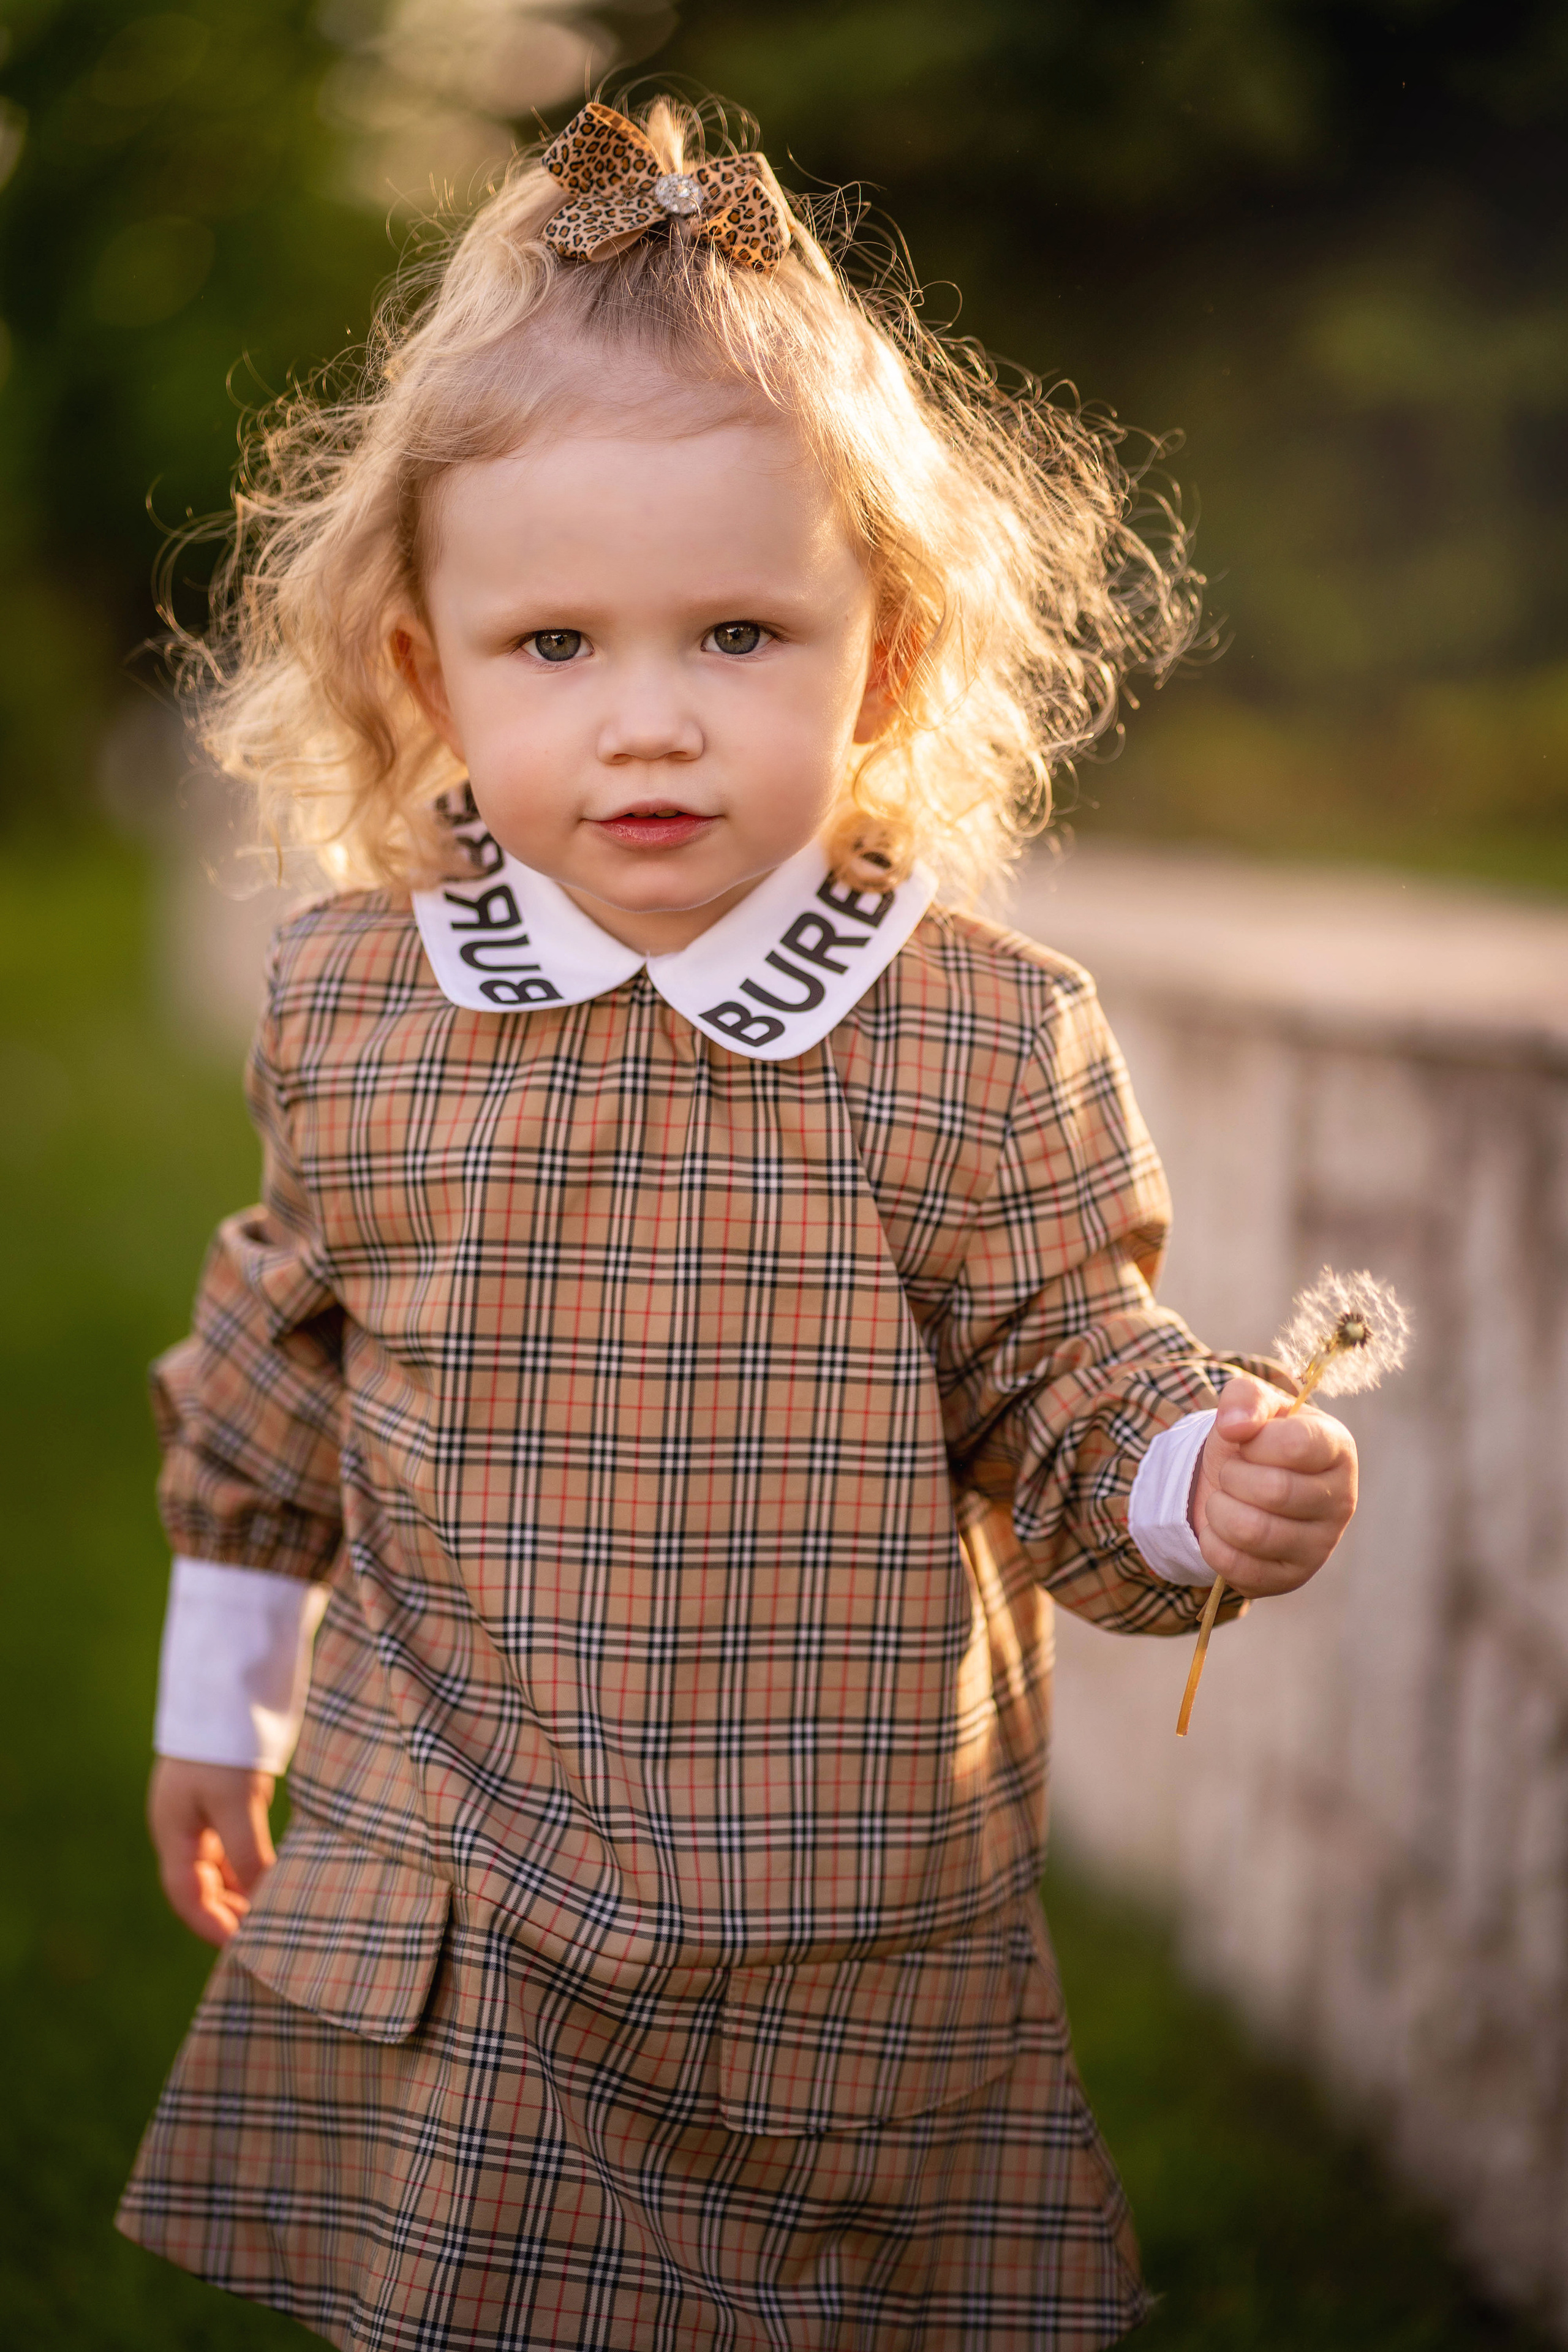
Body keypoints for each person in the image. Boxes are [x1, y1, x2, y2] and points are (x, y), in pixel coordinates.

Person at [118, 96, 1357, 2350]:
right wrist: (229, 1690)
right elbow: (278, 1354)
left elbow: (1068, 1377)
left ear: (876, 663)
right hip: (465, 1872)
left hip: (831, 1900)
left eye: (740, 635)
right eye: (557, 649)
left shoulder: (970, 1039)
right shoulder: (364, 1003)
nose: (651, 724)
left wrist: (1196, 1477)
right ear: (430, 673)